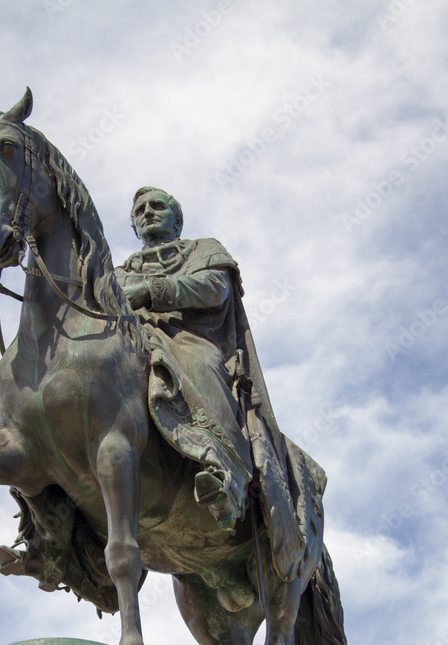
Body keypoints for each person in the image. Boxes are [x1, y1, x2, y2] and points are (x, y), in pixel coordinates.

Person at [116, 187, 323, 584]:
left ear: (177, 219)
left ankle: (225, 474)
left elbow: (214, 288)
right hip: (133, 343)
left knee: (201, 366)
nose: (146, 213)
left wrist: (151, 291)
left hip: (189, 340)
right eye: (139, 210)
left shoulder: (202, 249)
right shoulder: (119, 270)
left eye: (156, 206)